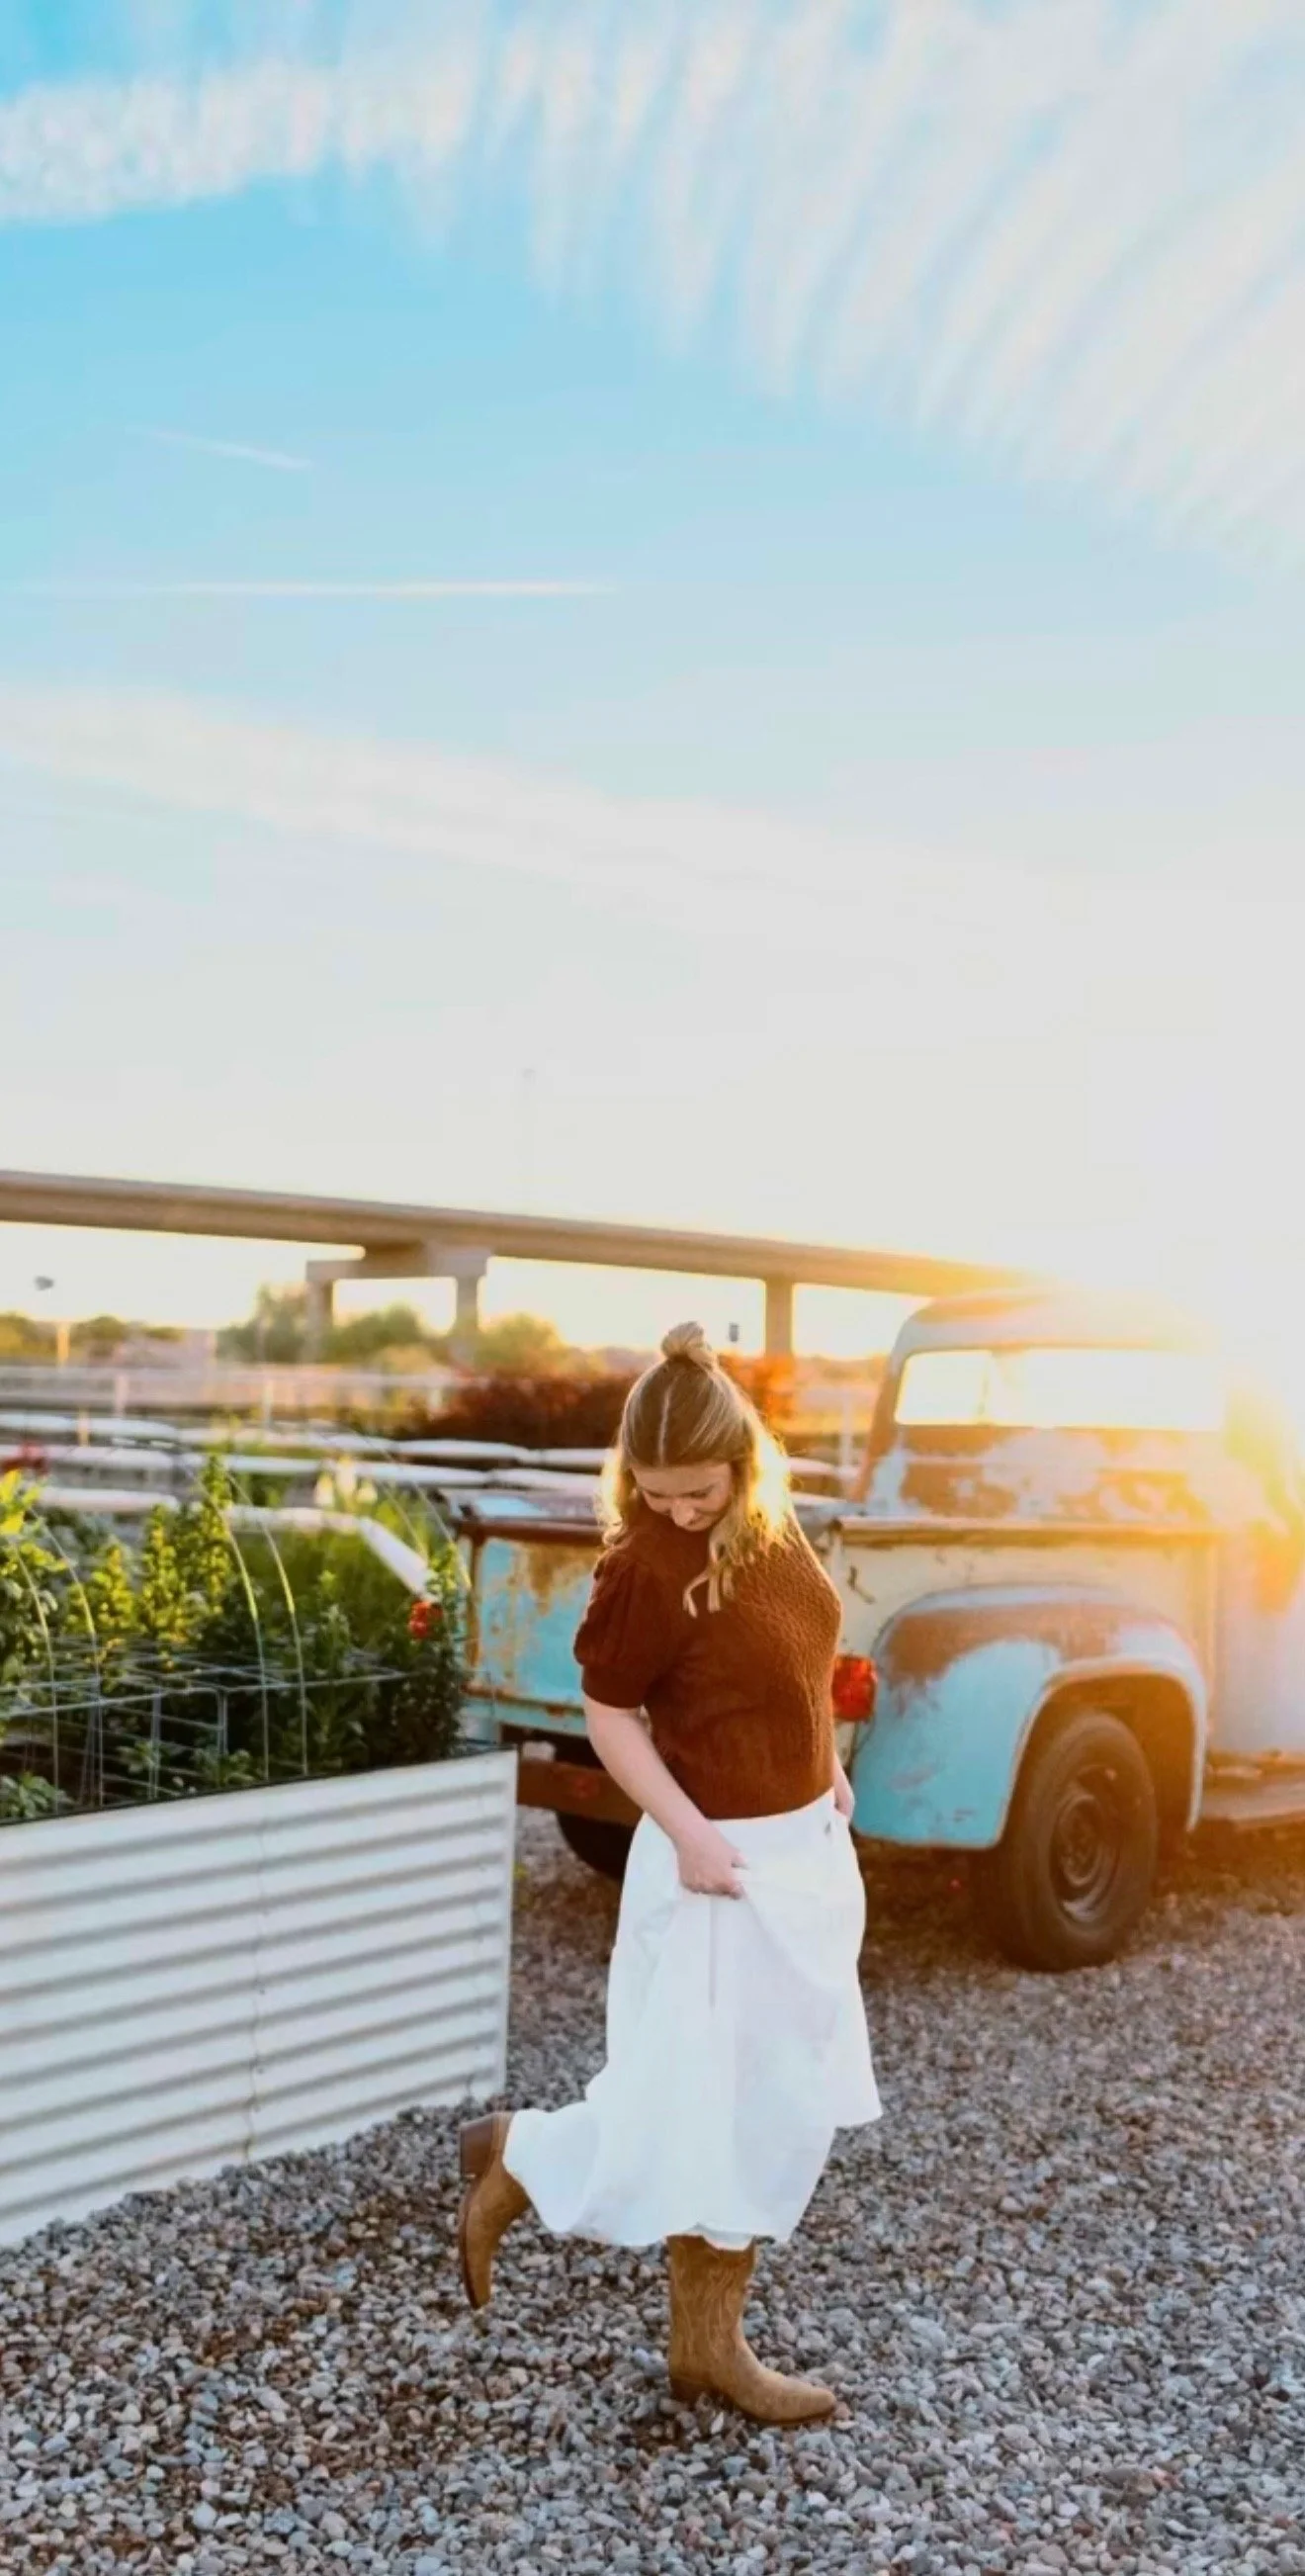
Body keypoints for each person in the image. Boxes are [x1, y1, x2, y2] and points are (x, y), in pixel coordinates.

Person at [456, 1322, 881, 2425]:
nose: (678, 1510)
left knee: (773, 2101)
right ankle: (528, 2166)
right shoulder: (644, 1563)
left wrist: (824, 1764)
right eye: (653, 1491)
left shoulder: (772, 1527)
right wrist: (689, 1830)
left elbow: (801, 1658)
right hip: (712, 1865)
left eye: (697, 1491)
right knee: (702, 2103)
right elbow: (608, 1712)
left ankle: (700, 2341)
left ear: (743, 1462)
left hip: (798, 1855)